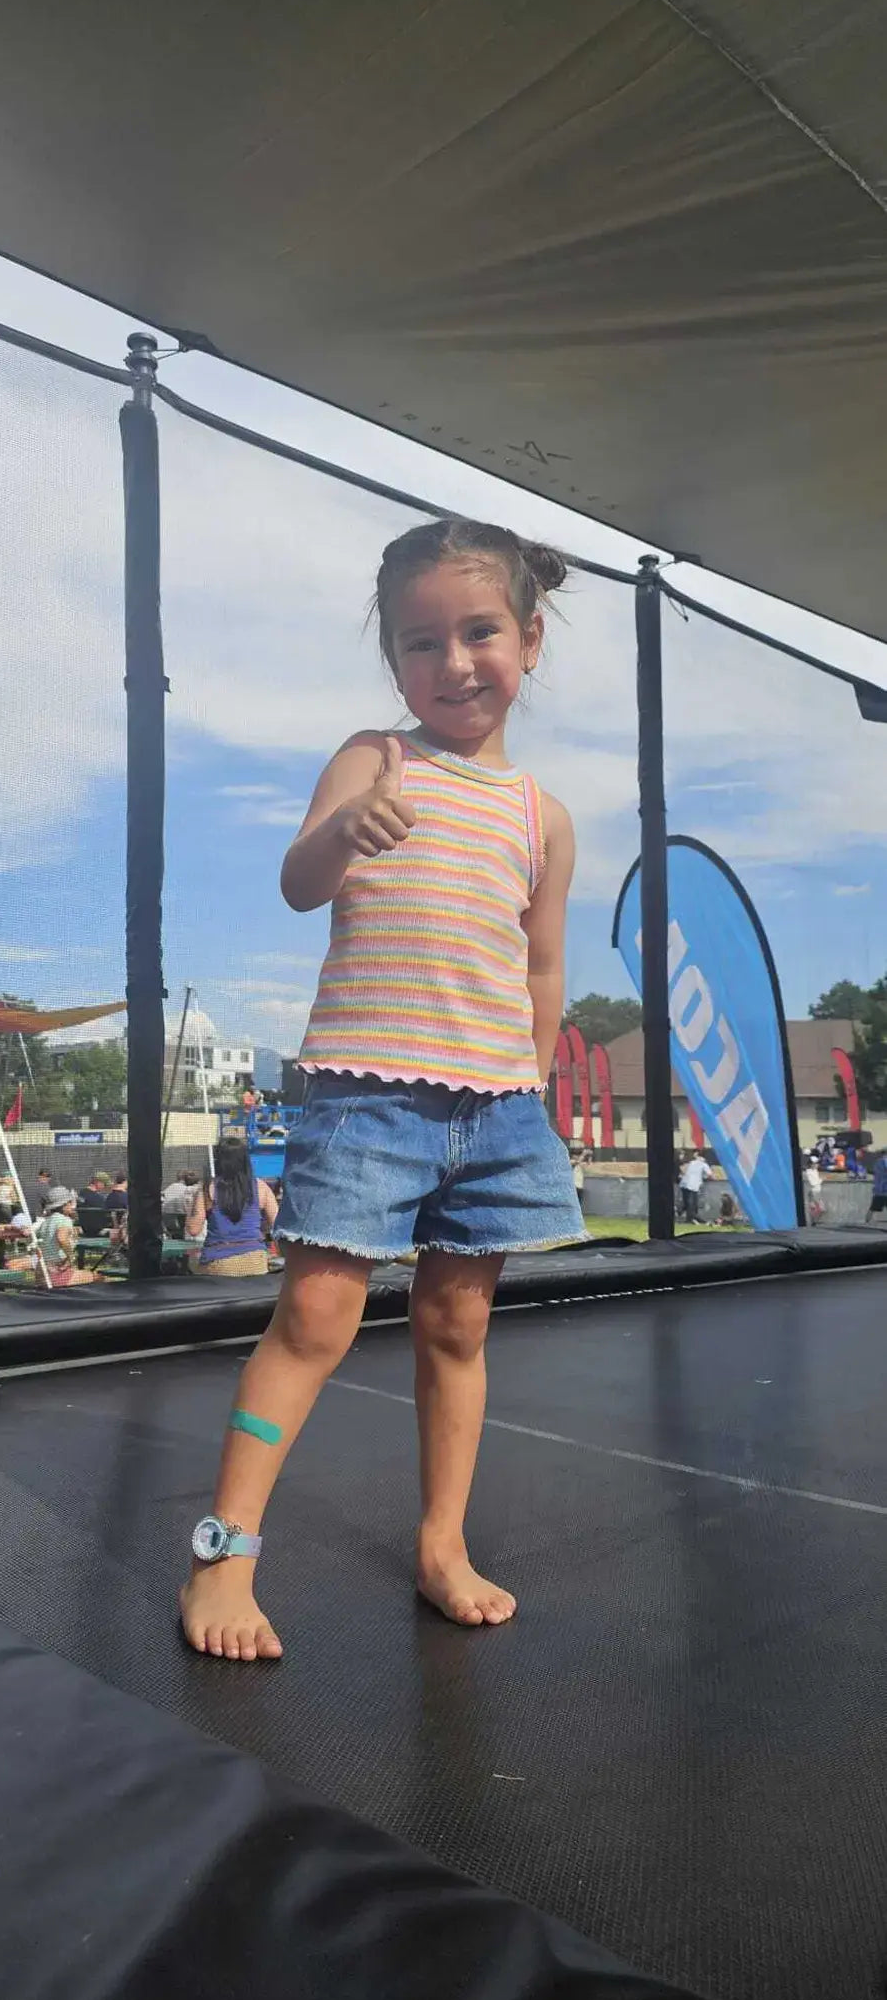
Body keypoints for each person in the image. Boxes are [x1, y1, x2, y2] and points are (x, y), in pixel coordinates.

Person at [180, 515, 583, 1663]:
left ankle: (441, 1542)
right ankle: (222, 1549)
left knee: (457, 1325)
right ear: (394, 661)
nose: (452, 662)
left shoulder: (538, 815)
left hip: (496, 1102)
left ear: (529, 640)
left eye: (478, 632)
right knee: (313, 1315)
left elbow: (541, 956)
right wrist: (344, 829)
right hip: (367, 1092)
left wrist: (537, 1067)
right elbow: (299, 879)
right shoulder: (376, 758)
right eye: (420, 642)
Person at [185, 1137, 278, 1278]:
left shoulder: (208, 1189)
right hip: (255, 1260)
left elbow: (193, 1229)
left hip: (219, 1262)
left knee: (191, 1262)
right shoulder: (261, 1187)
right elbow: (277, 1224)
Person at [34, 1188, 97, 1286]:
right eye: (71, 1203)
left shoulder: (45, 1222)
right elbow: (62, 1238)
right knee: (98, 1278)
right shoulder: (64, 1220)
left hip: (41, 1273)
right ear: (64, 1205)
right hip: (55, 1275)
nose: (74, 1206)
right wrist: (71, 1257)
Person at [678, 1150, 711, 1224]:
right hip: (693, 1185)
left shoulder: (691, 1163)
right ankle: (692, 1218)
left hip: (684, 1184)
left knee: (687, 1202)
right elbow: (709, 1174)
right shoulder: (703, 1164)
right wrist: (704, 1177)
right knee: (692, 1203)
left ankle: (688, 1216)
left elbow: (683, 1171)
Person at [867, 1150, 887, 1223]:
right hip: (882, 1190)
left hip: (880, 1190)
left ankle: (867, 1222)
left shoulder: (877, 1163)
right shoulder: (881, 1163)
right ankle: (867, 1222)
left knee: (873, 1208)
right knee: (873, 1208)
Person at [804, 1156, 824, 1225]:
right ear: (811, 1164)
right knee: (819, 1208)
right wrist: (820, 1180)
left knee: (820, 1209)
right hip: (813, 1192)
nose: (817, 1165)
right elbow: (812, 1183)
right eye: (815, 1163)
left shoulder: (816, 1171)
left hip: (817, 1191)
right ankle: (812, 1221)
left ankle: (813, 1221)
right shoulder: (808, 1172)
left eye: (817, 1163)